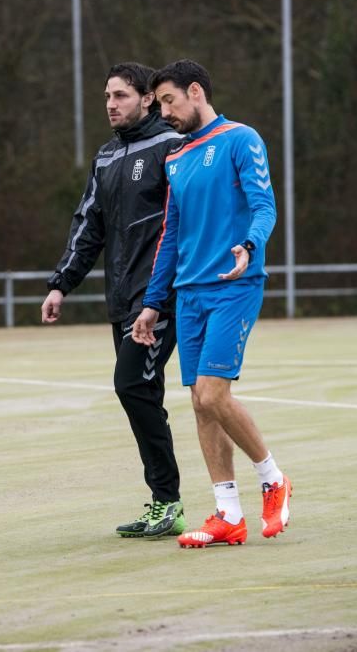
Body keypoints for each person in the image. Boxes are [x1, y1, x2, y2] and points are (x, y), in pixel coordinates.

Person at [131, 59, 292, 548]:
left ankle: (273, 478)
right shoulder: (176, 159)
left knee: (214, 394)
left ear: (195, 91)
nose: (163, 113)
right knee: (201, 406)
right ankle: (228, 514)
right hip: (189, 294)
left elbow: (265, 205)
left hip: (234, 285)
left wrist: (249, 244)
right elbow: (171, 237)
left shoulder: (242, 139)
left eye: (168, 102)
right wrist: (153, 303)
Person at [42, 62, 186, 539]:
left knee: (132, 386)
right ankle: (165, 505)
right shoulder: (105, 157)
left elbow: (186, 220)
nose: (110, 104)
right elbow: (88, 227)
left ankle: (169, 502)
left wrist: (161, 292)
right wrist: (61, 283)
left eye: (121, 95)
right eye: (107, 95)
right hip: (121, 300)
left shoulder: (172, 145)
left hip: (160, 298)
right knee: (144, 394)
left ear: (147, 98)